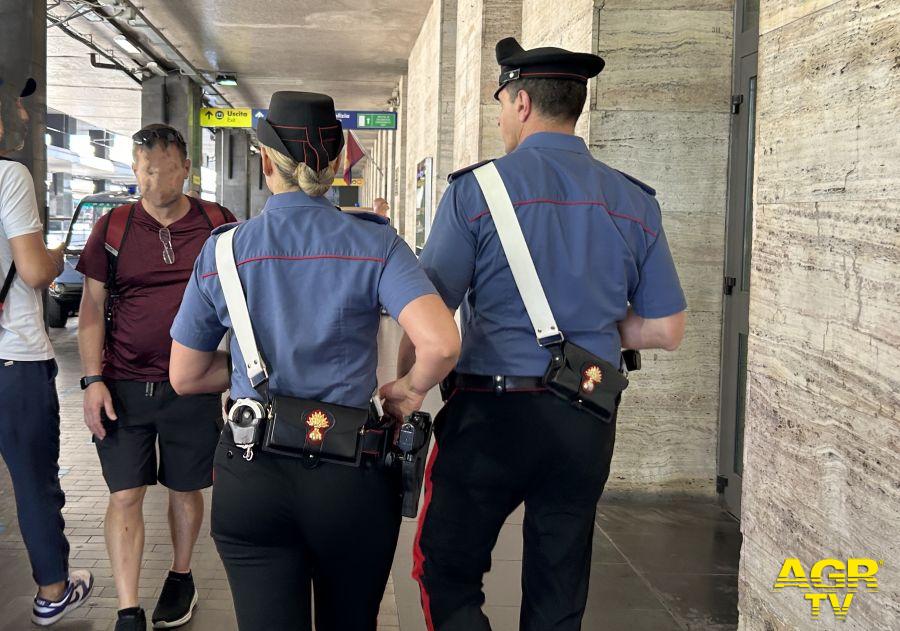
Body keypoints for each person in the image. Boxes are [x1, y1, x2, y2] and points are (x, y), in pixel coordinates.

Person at [407, 37, 688, 631]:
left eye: (502, 104)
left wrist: (408, 385)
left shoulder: (474, 193)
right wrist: (595, 325)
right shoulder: (635, 201)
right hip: (586, 409)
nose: (503, 117)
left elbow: (429, 311)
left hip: (491, 413)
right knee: (559, 583)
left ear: (523, 102)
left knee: (446, 567)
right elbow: (666, 330)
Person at [167, 91, 460, 631]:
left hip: (251, 471)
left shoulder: (224, 251)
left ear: (263, 161)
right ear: (338, 164)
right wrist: (410, 389)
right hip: (349, 473)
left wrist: (240, 374)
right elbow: (441, 343)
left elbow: (183, 375)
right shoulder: (377, 244)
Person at [76, 123, 236, 631]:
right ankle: (127, 609)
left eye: (165, 170)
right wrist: (91, 380)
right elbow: (91, 308)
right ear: (134, 169)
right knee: (125, 493)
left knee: (185, 488)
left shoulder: (217, 223)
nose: (154, 181)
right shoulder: (115, 226)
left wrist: (237, 377)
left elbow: (240, 304)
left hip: (192, 385)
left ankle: (181, 574)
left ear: (186, 169)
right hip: (122, 385)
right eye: (145, 171)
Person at [0, 69, 94, 626]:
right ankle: (52, 591)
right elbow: (34, 272)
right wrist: (58, 257)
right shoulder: (9, 176)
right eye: (16, 102)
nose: (27, 114)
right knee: (34, 479)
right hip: (15, 362)